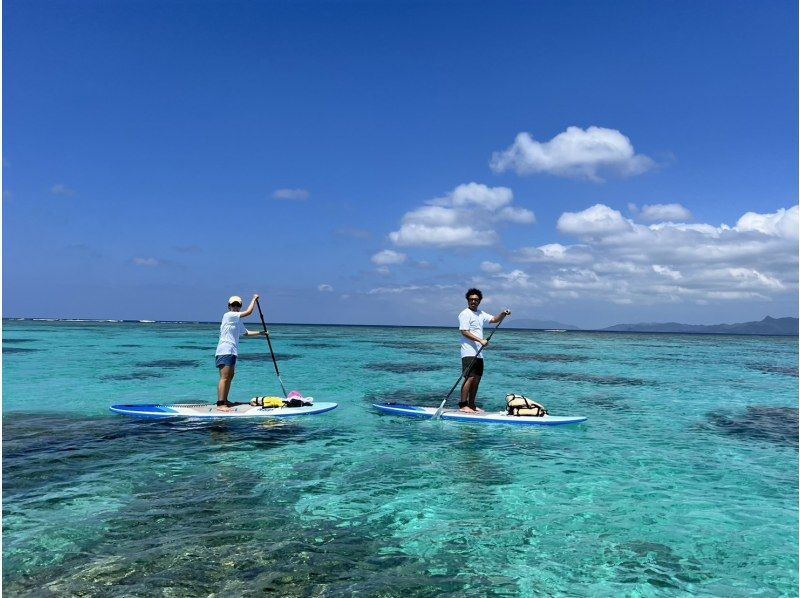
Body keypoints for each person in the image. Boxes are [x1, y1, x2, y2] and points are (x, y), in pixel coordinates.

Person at [458, 288, 510, 413]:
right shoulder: (464, 313)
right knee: (469, 377)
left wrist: (503, 314)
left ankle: (471, 405)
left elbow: (494, 320)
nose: (473, 302)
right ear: (468, 300)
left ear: (479, 301)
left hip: (479, 353)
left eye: (476, 300)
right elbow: (464, 331)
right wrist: (480, 340)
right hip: (468, 351)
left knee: (477, 378)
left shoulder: (481, 313)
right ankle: (463, 405)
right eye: (471, 299)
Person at [215, 294, 268, 411]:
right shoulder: (228, 315)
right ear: (229, 306)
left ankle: (225, 400)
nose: (235, 307)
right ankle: (220, 404)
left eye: (238, 305)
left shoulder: (237, 320)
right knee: (224, 377)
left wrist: (261, 333)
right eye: (233, 305)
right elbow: (248, 312)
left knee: (230, 376)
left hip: (232, 351)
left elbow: (246, 333)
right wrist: (254, 300)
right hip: (225, 350)